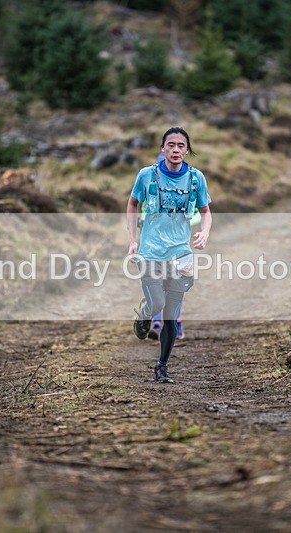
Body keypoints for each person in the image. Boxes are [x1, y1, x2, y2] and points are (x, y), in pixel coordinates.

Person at [127, 127, 212, 383]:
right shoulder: (146, 175)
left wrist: (204, 233)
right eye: (171, 145)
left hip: (181, 255)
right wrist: (133, 241)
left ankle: (162, 367)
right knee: (157, 305)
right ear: (162, 148)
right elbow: (133, 204)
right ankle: (145, 314)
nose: (176, 150)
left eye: (181, 146)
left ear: (187, 150)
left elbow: (206, 211)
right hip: (151, 252)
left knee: (171, 317)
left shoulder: (196, 179)